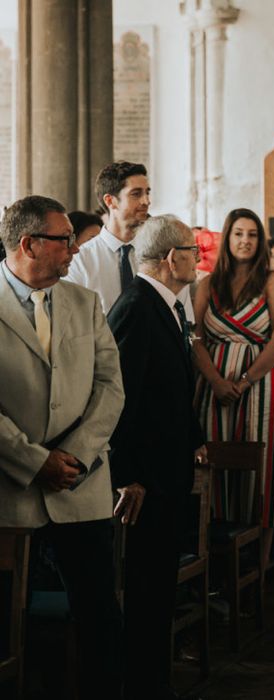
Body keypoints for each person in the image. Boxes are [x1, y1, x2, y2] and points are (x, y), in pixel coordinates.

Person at [0, 195, 125, 700]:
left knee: (100, 618)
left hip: (81, 482)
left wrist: (73, 456)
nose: (74, 249)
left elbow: (110, 384)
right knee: (11, 619)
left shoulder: (82, 301)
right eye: (63, 240)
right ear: (29, 243)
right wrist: (36, 462)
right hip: (12, 488)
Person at [108, 214, 207, 700]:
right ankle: (144, 685)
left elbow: (169, 388)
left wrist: (194, 437)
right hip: (144, 480)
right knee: (147, 588)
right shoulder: (136, 307)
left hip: (167, 469)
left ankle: (156, 680)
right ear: (173, 259)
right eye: (193, 249)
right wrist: (127, 475)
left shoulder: (166, 304)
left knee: (160, 585)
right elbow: (117, 399)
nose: (198, 257)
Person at [194, 209, 274, 570]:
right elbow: (196, 338)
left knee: (264, 468)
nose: (245, 241)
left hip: (261, 386)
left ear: (261, 241)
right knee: (214, 465)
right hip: (213, 388)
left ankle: (261, 566)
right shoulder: (207, 283)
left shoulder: (272, 281)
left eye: (252, 235)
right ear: (227, 237)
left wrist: (244, 380)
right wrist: (217, 382)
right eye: (238, 233)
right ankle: (215, 565)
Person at [66, 160, 195, 320]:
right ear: (110, 201)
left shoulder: (165, 255)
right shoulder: (80, 261)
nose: (146, 201)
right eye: (136, 194)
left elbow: (184, 318)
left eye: (147, 192)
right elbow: (75, 322)